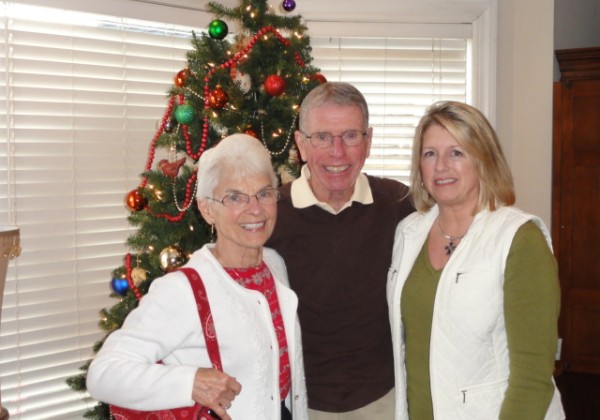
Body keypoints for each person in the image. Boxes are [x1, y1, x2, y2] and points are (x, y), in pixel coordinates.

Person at [87, 134, 308, 420]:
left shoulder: (274, 264)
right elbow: (104, 374)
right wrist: (189, 383)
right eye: (234, 197)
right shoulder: (182, 290)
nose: (255, 209)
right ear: (206, 209)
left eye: (264, 193)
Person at [387, 101, 565, 419]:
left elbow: (533, 380)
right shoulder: (409, 233)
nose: (441, 166)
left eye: (457, 152)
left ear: (483, 159)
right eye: (430, 154)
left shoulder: (519, 238)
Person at [267, 82, 414, 419]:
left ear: (368, 141)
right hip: (303, 402)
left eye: (350, 136)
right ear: (301, 144)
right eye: (322, 137)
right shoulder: (272, 213)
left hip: (385, 398)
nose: (337, 152)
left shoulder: (400, 204)